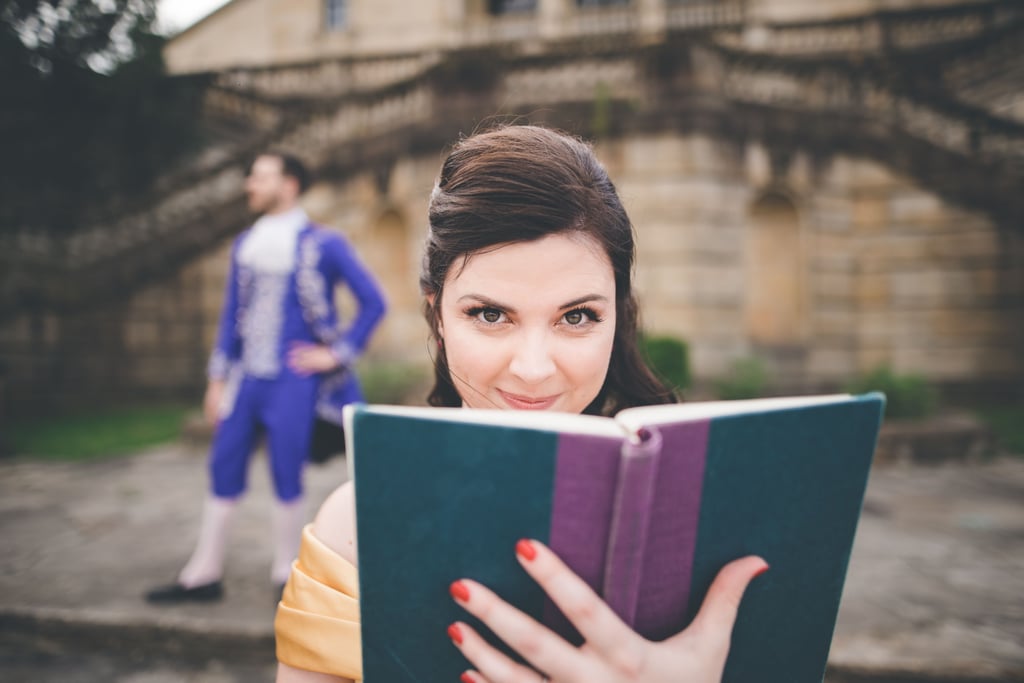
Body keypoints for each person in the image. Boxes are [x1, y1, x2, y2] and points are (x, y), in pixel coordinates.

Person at [274, 126, 766, 682]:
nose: (533, 369)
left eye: (577, 316)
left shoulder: (715, 530)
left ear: (618, 315)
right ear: (437, 315)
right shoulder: (356, 527)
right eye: (490, 314)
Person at [146, 152, 387, 604]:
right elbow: (229, 319)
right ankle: (204, 571)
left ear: (290, 184)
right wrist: (217, 380)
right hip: (246, 379)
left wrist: (335, 354)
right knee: (223, 463)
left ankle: (284, 570)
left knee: (285, 467)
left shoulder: (325, 243)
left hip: (293, 378)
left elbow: (375, 303)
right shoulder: (245, 243)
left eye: (259, 177)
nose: (249, 185)